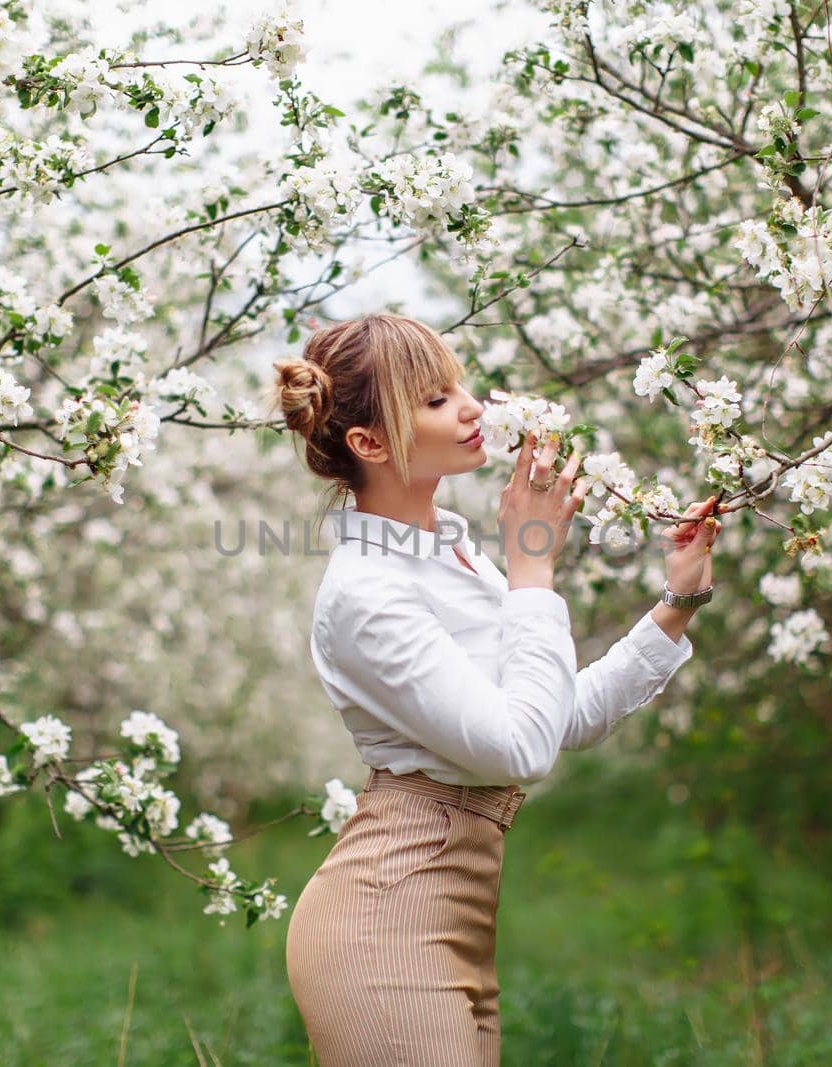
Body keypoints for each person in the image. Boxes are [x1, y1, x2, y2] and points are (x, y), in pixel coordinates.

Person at [270, 312, 720, 1066]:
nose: (473, 406)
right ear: (370, 444)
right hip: (385, 924)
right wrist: (532, 566)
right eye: (437, 399)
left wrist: (677, 605)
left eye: (459, 385)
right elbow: (522, 747)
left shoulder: (451, 552)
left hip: (455, 915)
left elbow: (554, 718)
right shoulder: (366, 593)